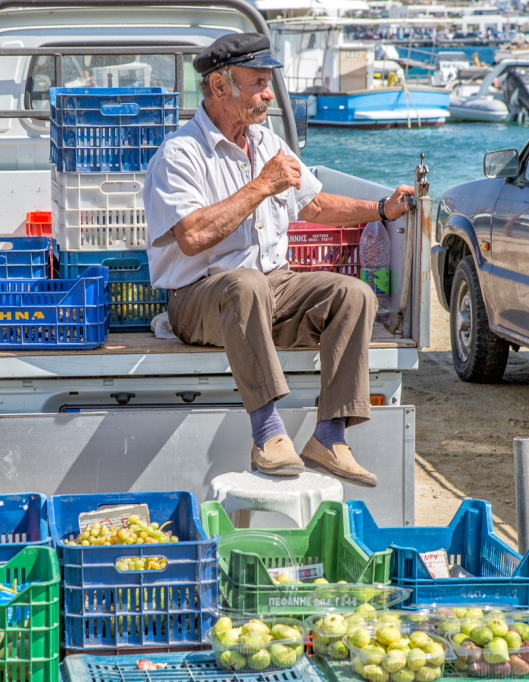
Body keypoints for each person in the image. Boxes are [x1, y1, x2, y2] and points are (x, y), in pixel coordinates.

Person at [143, 33, 414, 486]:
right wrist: (262, 186)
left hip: (273, 287)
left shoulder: (268, 143)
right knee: (245, 283)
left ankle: (329, 436)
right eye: (258, 83)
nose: (268, 94)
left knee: (354, 294)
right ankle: (268, 433)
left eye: (269, 83)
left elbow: (315, 205)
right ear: (218, 87)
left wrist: (382, 209)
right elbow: (191, 237)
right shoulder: (179, 153)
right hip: (200, 299)